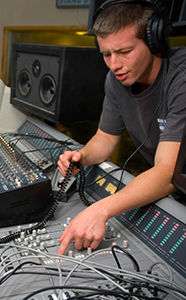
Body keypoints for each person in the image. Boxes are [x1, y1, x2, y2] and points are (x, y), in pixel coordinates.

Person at [57, 0, 186, 255]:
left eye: (124, 51)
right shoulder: (115, 80)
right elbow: (105, 137)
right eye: (106, 54)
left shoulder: (181, 79)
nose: (114, 64)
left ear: (154, 42)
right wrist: (83, 157)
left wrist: (101, 209)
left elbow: (167, 173)